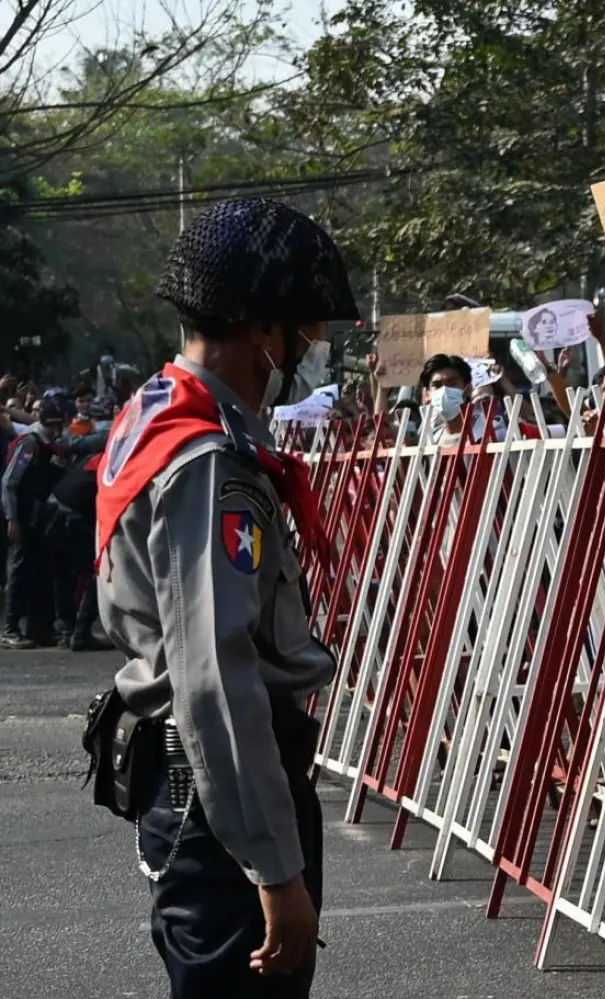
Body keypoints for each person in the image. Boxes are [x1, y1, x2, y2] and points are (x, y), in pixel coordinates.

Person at [98, 197, 356, 998]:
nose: (311, 353)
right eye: (307, 334)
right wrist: (274, 868)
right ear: (262, 333)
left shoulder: (154, 415)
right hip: (222, 804)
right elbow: (217, 676)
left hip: (190, 787)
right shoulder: (211, 462)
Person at [1, 397, 67, 648]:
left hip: (40, 519)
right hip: (23, 518)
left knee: (40, 574)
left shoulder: (50, 445)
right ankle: (10, 628)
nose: (56, 429)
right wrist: (12, 518)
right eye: (53, 424)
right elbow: (9, 482)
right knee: (19, 573)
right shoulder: (30, 444)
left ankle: (38, 628)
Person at [44, 451, 108, 650]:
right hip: (71, 519)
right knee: (97, 575)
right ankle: (81, 633)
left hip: (51, 512)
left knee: (62, 575)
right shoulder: (112, 466)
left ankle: (66, 629)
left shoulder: (93, 458)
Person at [418, 353, 476, 445]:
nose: (444, 391)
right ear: (428, 394)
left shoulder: (486, 433)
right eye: (437, 386)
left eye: (453, 384)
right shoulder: (431, 440)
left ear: (468, 389)